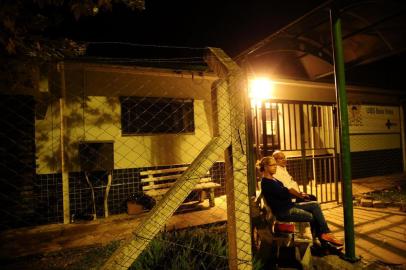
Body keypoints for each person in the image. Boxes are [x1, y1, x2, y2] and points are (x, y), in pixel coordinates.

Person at [257, 156, 343, 246]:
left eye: (275, 164)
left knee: (315, 204)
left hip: (289, 205)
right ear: (266, 167)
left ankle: (325, 234)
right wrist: (288, 192)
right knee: (313, 217)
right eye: (272, 165)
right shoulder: (266, 182)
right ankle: (321, 241)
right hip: (284, 212)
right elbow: (284, 193)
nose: (275, 167)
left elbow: (285, 192)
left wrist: (289, 193)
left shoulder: (273, 179)